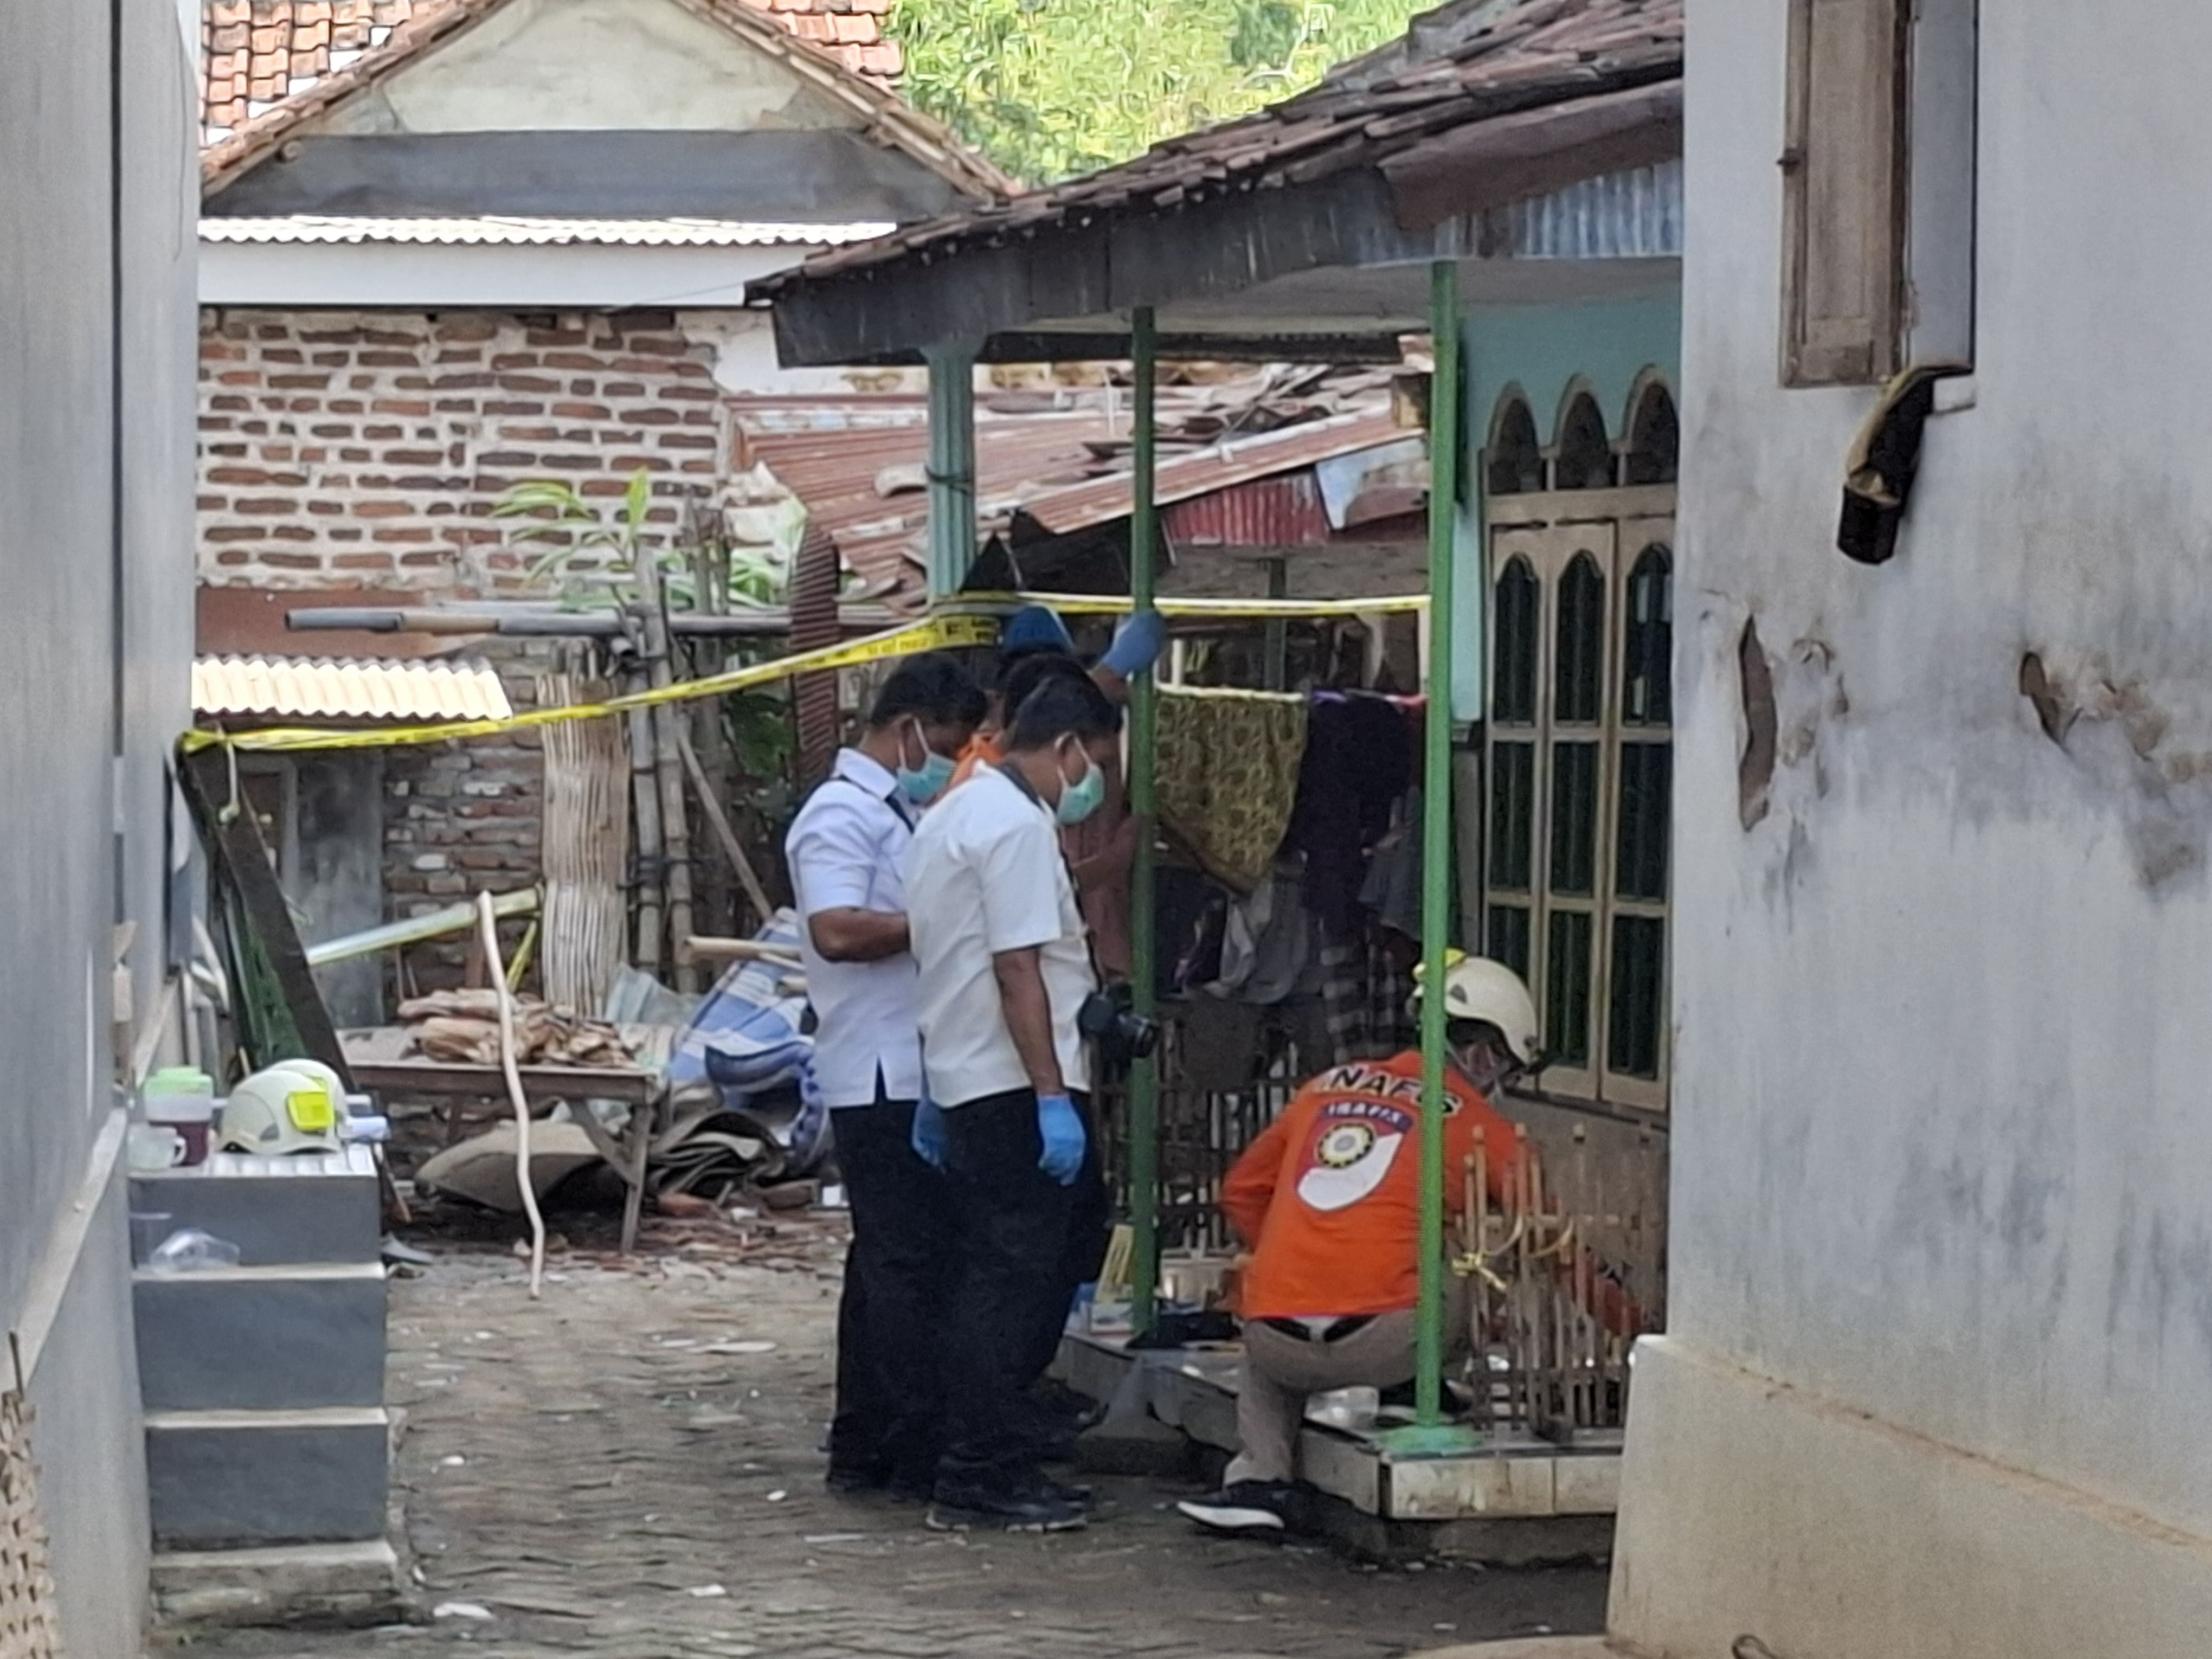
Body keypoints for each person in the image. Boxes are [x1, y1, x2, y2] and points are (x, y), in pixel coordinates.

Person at [1176, 957, 1544, 1535]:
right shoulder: (1480, 1125)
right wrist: (1628, 1319)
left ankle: (1260, 1479)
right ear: (1482, 1055)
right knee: (1469, 1261)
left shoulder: (1323, 1089)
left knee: (1269, 1318)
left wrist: (1285, 1251)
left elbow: (1243, 1191)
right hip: (1393, 1341)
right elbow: (1549, 1235)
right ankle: (1416, 1389)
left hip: (1280, 1347)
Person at [904, 673, 1123, 1531]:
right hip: (1012, 1082)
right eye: (1095, 763)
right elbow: (1015, 967)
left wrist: (934, 1084)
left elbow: (938, 960)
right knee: (1014, 1281)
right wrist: (1049, 1099)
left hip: (967, 1077)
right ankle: (981, 1467)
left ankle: (990, 1444)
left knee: (1012, 1266)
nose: (1092, 784)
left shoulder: (951, 813)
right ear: (1068, 749)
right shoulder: (1012, 827)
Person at [785, 652, 987, 1500]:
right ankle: (907, 1445)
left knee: (888, 1267)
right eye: (942, 742)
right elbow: (835, 930)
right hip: (878, 1071)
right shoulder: (839, 816)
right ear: (907, 730)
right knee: (908, 1268)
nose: (944, 760)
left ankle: (867, 1442)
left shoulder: (895, 811)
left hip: (906, 1067)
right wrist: (944, 921)